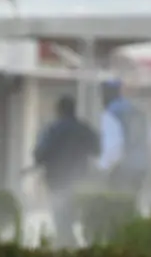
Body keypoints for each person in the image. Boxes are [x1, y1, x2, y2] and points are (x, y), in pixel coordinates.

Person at [32, 95, 100, 246]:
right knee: (73, 212)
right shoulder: (84, 129)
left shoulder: (52, 130)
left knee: (60, 215)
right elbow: (97, 150)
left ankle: (65, 242)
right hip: (80, 179)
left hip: (56, 180)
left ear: (59, 111)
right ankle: (71, 241)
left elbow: (40, 154)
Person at [95, 80, 151, 198]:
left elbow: (114, 146)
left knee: (117, 201)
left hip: (121, 168)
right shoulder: (137, 111)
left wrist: (102, 167)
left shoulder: (111, 113)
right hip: (141, 167)